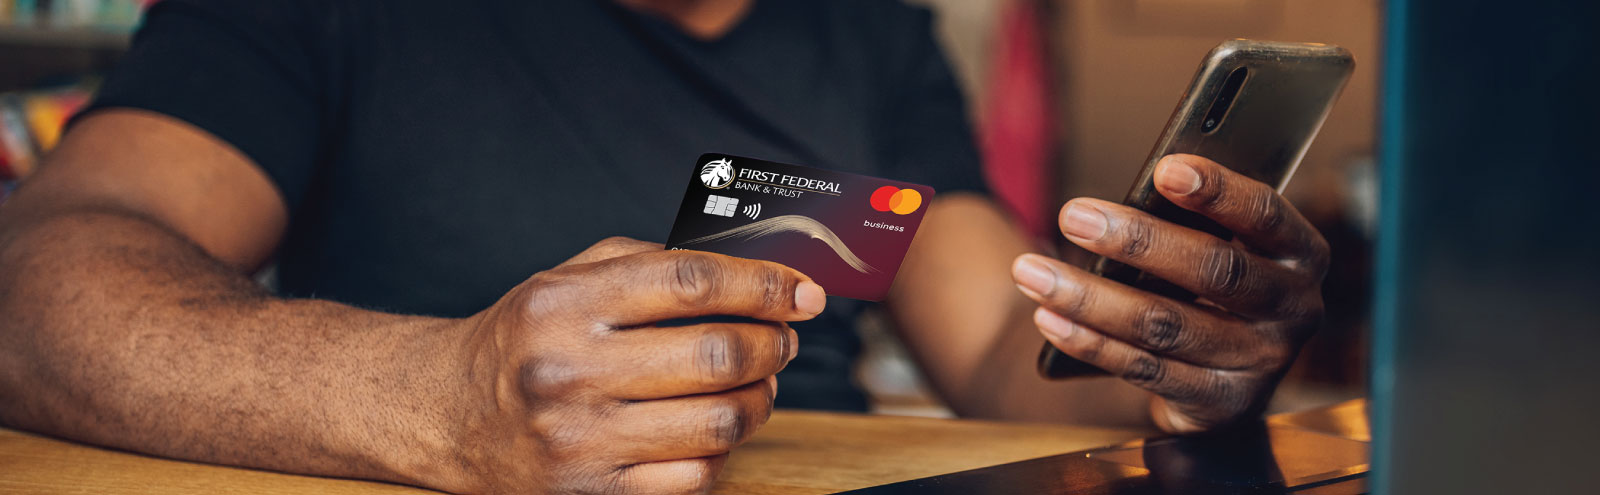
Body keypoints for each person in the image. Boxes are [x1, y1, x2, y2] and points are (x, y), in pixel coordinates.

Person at [0, 0, 1329, 493]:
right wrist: (448, 402)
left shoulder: (869, 31)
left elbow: (994, 350)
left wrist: (1176, 356)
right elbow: (35, 281)